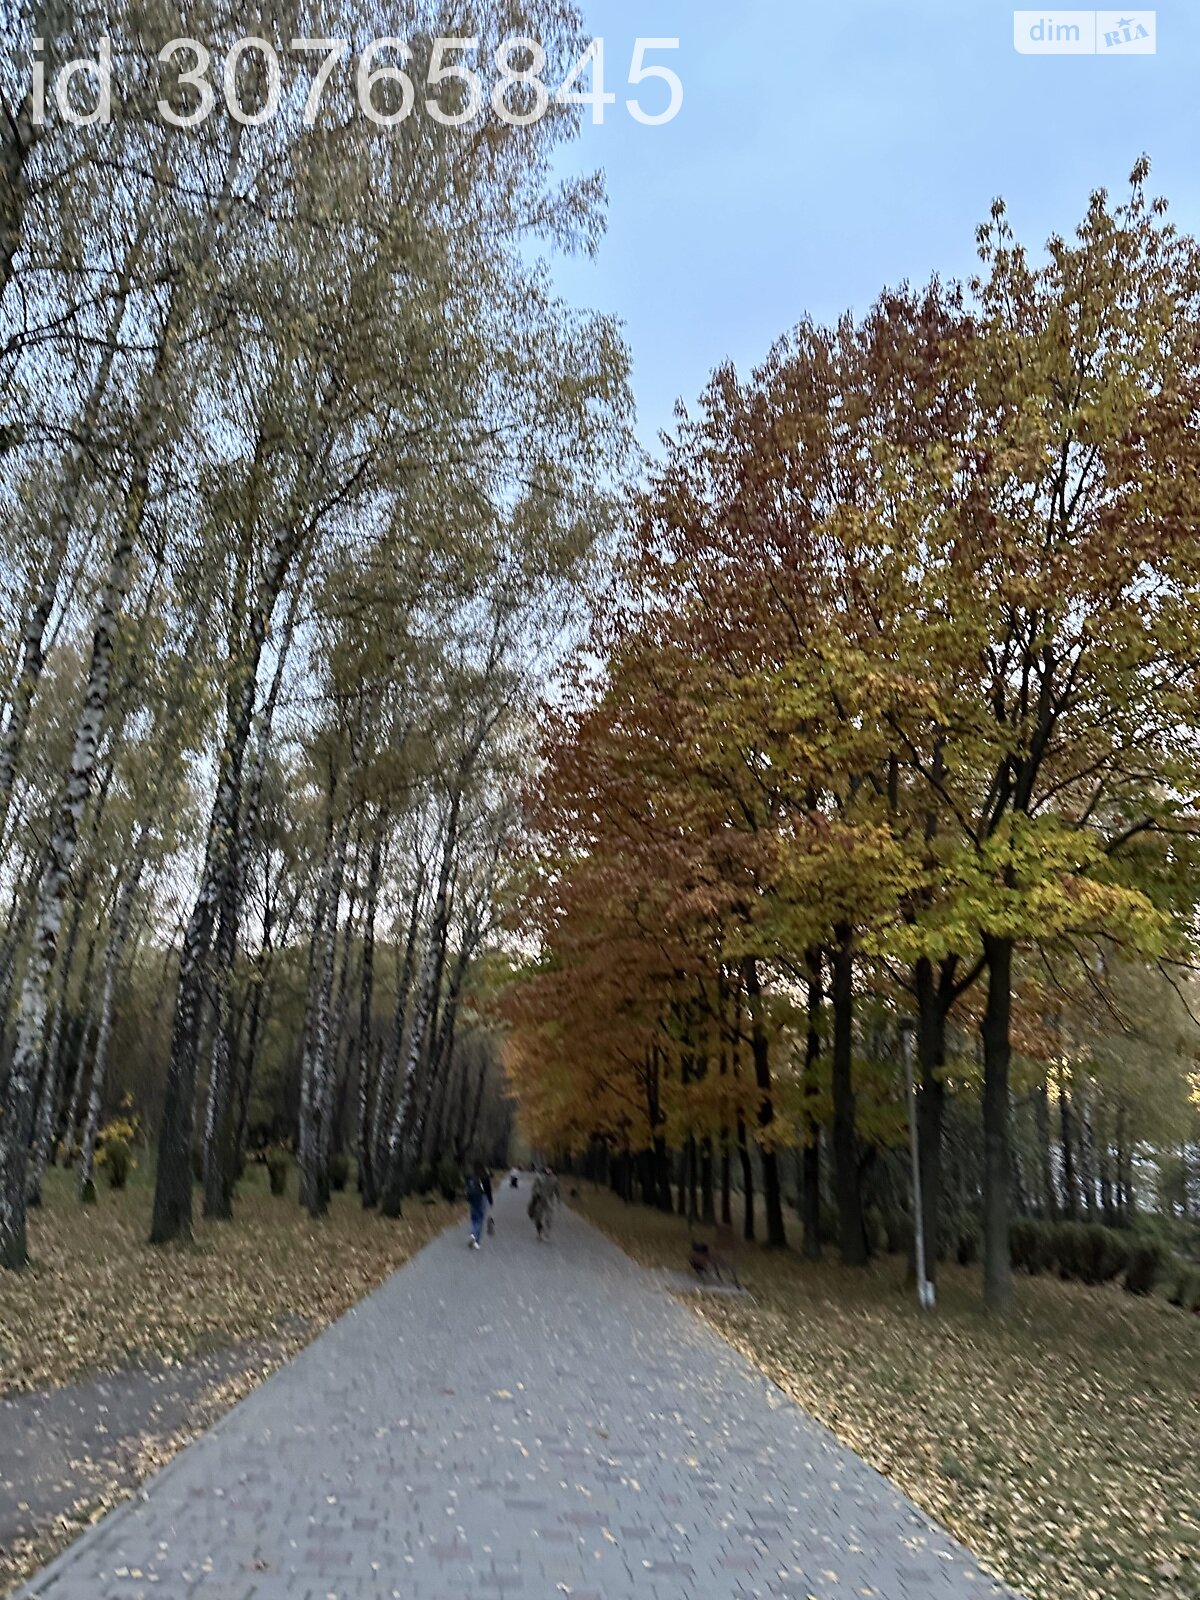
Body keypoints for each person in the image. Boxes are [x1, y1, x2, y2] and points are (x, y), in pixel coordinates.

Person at [529, 1165, 560, 1241]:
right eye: (547, 1168)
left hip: (549, 1200)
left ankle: (547, 1232)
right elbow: (534, 1187)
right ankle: (539, 1231)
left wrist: (558, 1199)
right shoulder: (539, 1178)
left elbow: (557, 1190)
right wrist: (536, 1193)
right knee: (537, 1217)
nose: (548, 1170)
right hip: (539, 1199)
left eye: (550, 1169)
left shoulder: (555, 1179)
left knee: (548, 1217)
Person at [466, 1161, 489, 1249]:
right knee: (480, 1220)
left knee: (474, 1219)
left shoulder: (472, 1178)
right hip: (481, 1199)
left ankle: (472, 1234)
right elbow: (487, 1190)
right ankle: (476, 1239)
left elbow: (468, 1190)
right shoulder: (484, 1177)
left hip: (473, 1200)